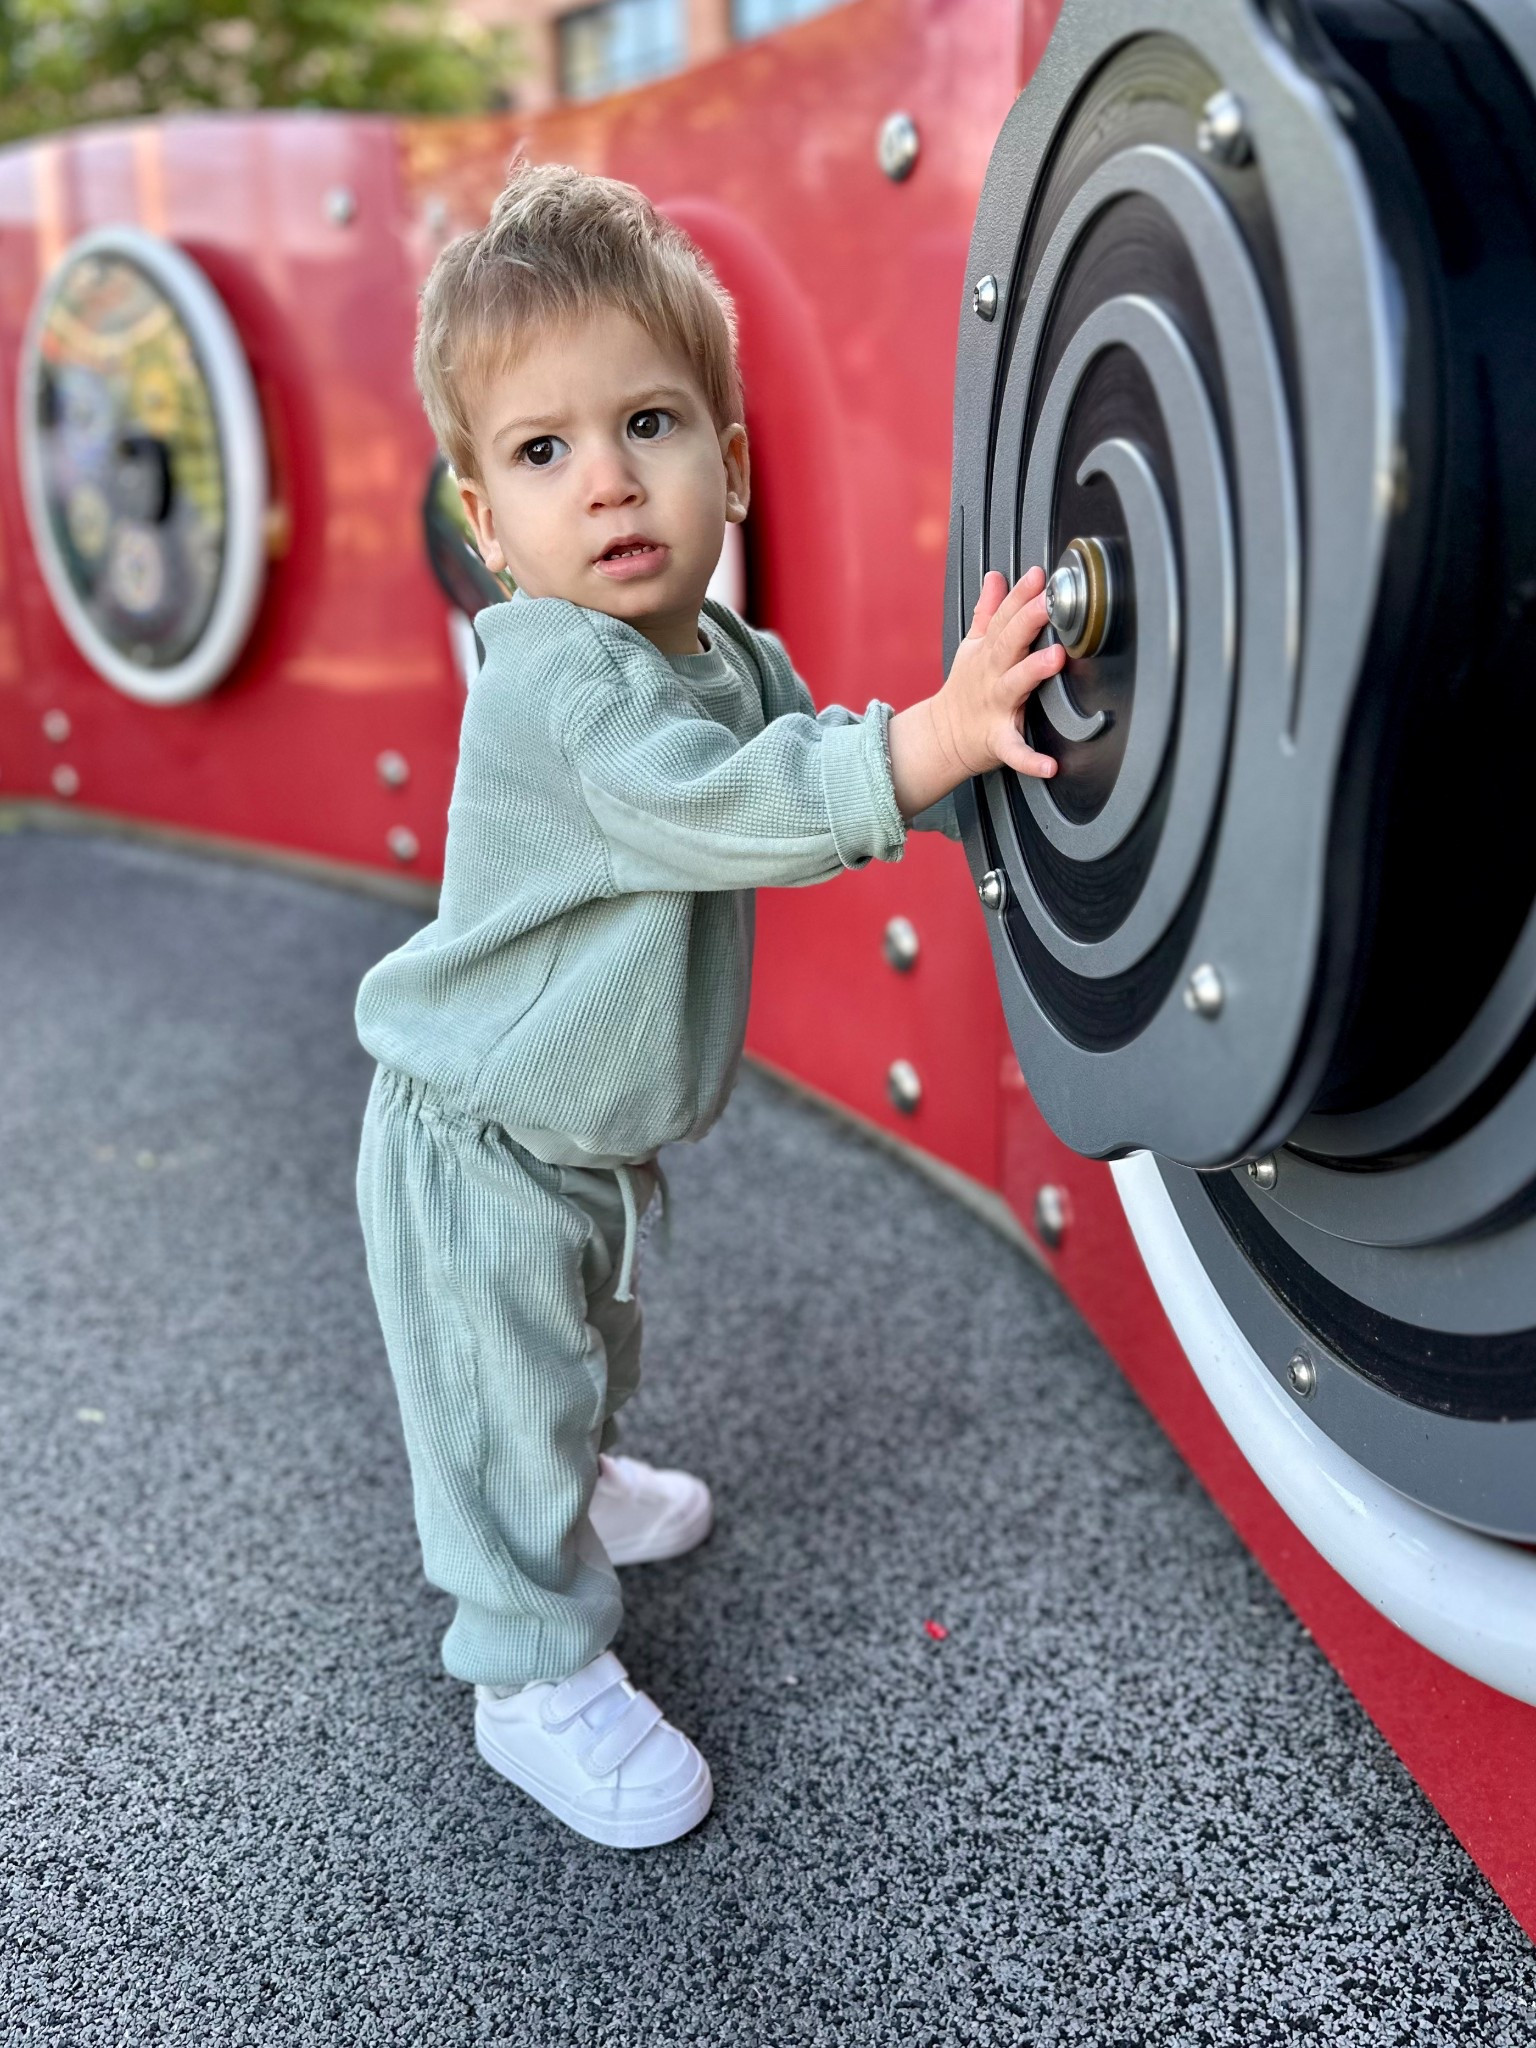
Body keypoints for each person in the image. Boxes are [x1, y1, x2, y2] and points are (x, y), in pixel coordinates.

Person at [353, 159, 1064, 1850]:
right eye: (543, 453)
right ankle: (528, 1676)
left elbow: (800, 759)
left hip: (585, 1141)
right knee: (497, 1388)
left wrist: (985, 761)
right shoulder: (557, 686)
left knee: (587, 1347)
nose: (606, 483)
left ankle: (576, 1482)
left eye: (652, 425)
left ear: (730, 462)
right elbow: (740, 802)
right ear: (482, 519)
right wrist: (927, 747)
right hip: (477, 1143)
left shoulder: (713, 660)